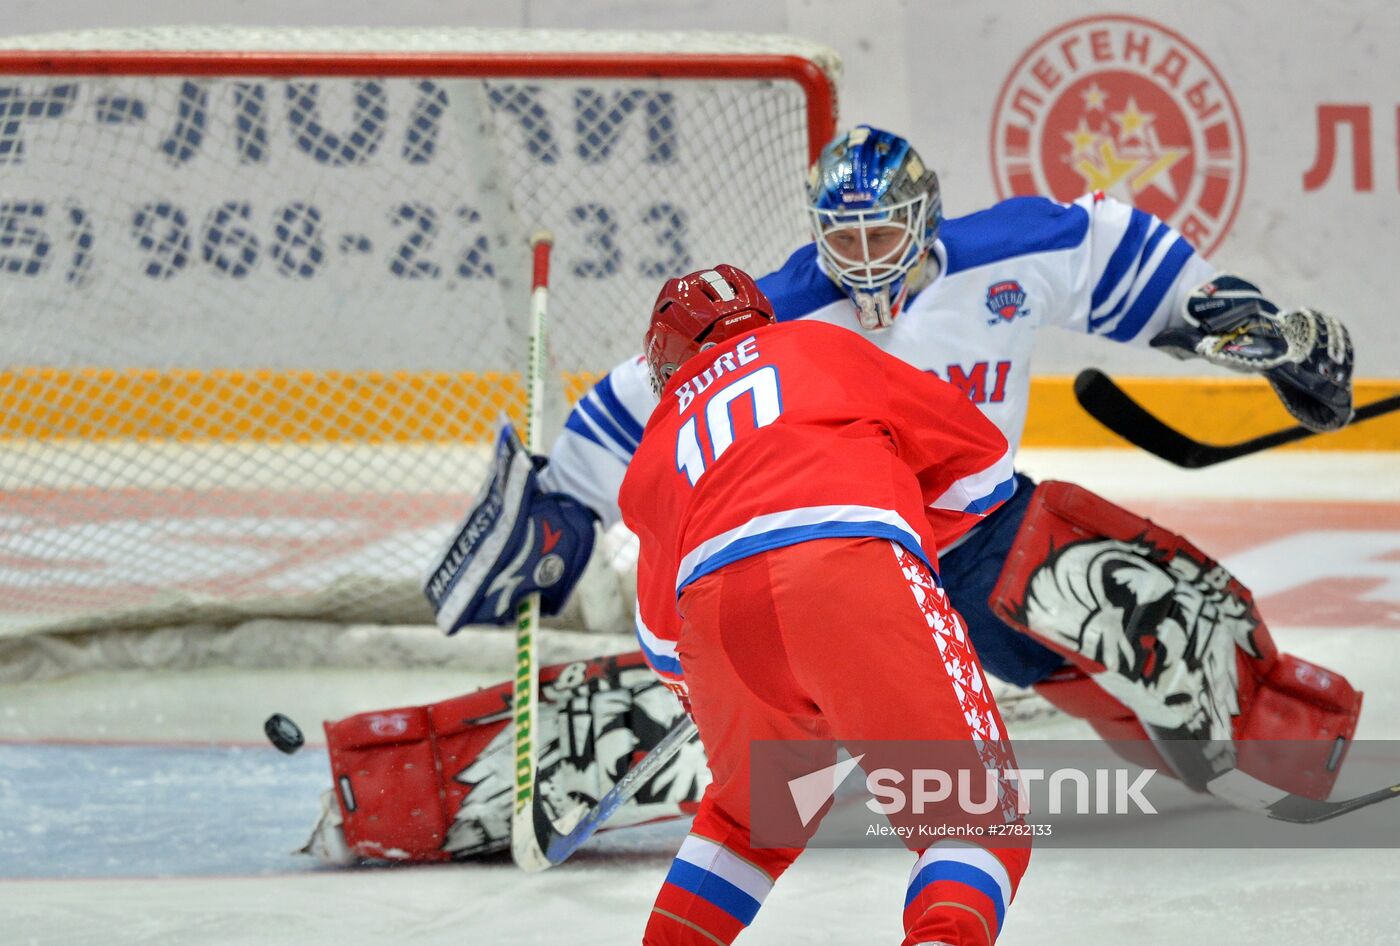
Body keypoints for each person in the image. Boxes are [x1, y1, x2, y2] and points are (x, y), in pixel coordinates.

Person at [307, 125, 1363, 865]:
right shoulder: (774, 308)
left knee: (1136, 608)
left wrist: (1254, 332)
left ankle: (1254, 753)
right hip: (838, 563)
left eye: (880, 234)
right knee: (754, 764)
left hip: (978, 534)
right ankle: (418, 781)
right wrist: (561, 506)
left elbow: (1136, 268)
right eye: (840, 236)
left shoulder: (1013, 251)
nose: (861, 261)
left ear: (925, 219)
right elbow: (630, 403)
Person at [623, 263, 1026, 945]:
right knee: (972, 820)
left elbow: (665, 642)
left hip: (721, 624)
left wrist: (747, 694)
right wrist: (896, 535)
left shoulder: (655, 446)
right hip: (854, 571)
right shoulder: (825, 345)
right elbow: (986, 472)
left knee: (751, 824)